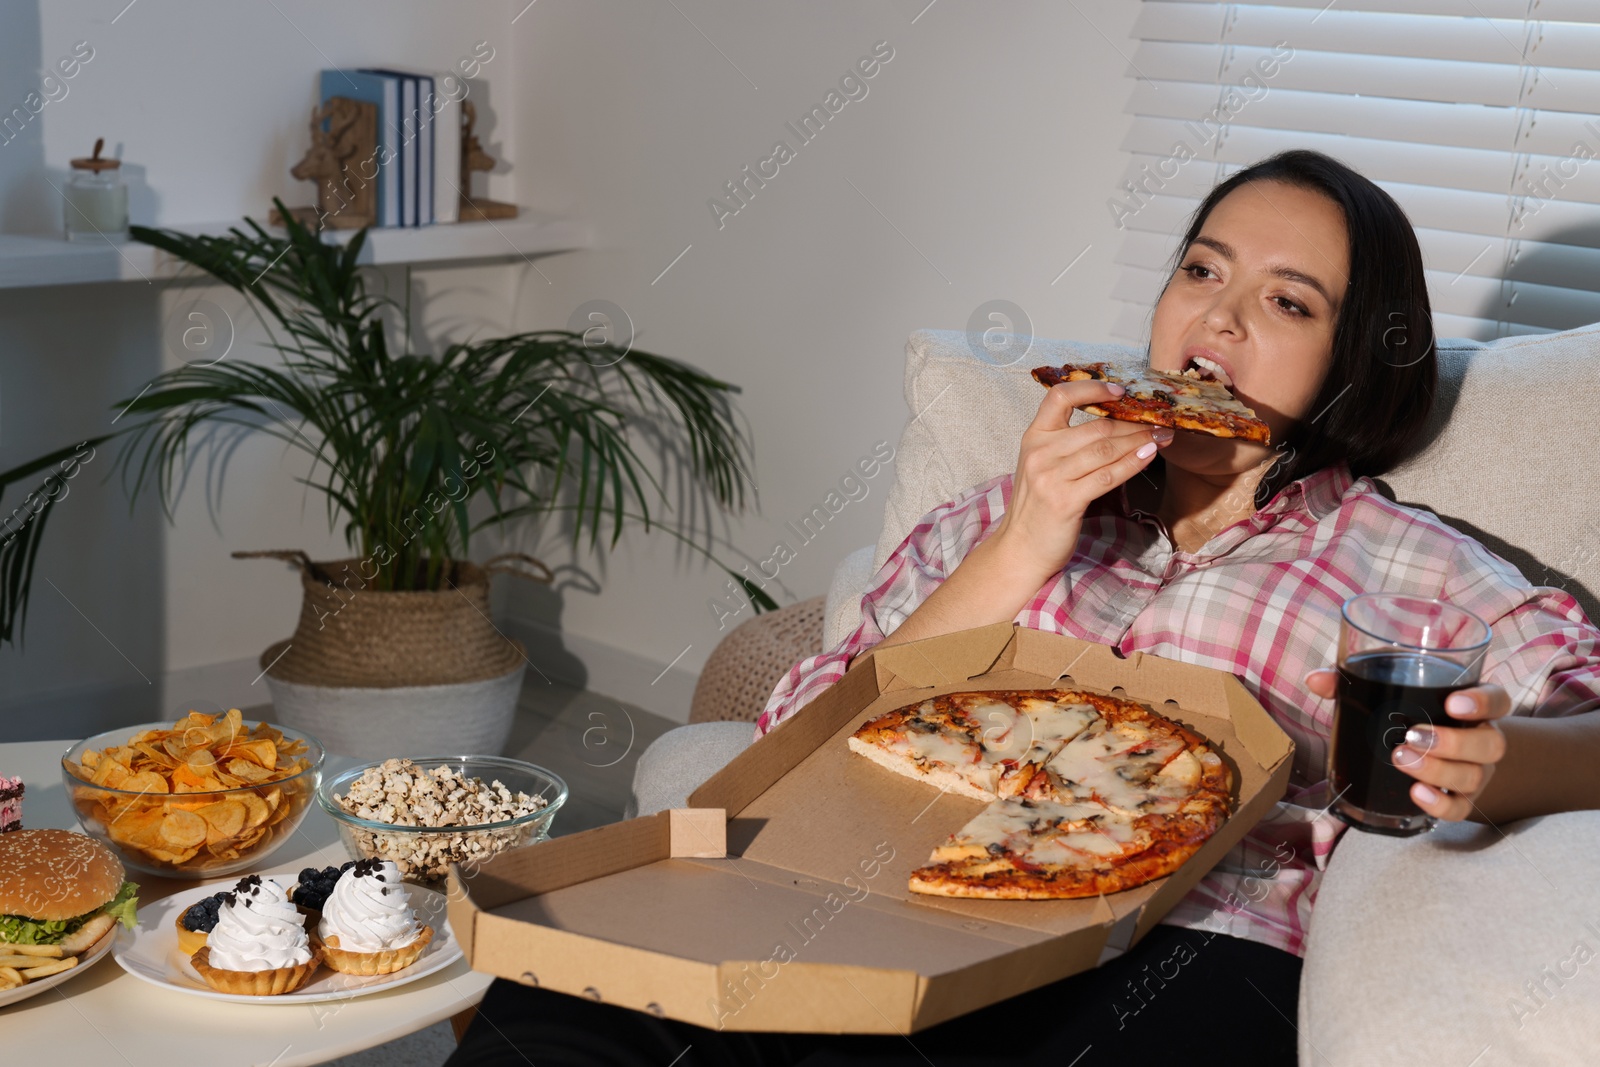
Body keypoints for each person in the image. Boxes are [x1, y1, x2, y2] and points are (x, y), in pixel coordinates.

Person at [447, 150, 1600, 1065]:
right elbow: (797, 729)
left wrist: (1498, 765)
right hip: (870, 884)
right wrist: (1024, 542)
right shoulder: (1013, 501)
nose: (1220, 323)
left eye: (1286, 302)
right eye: (1201, 271)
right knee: (556, 997)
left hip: (1182, 944)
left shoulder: (1406, 561)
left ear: (1355, 363)